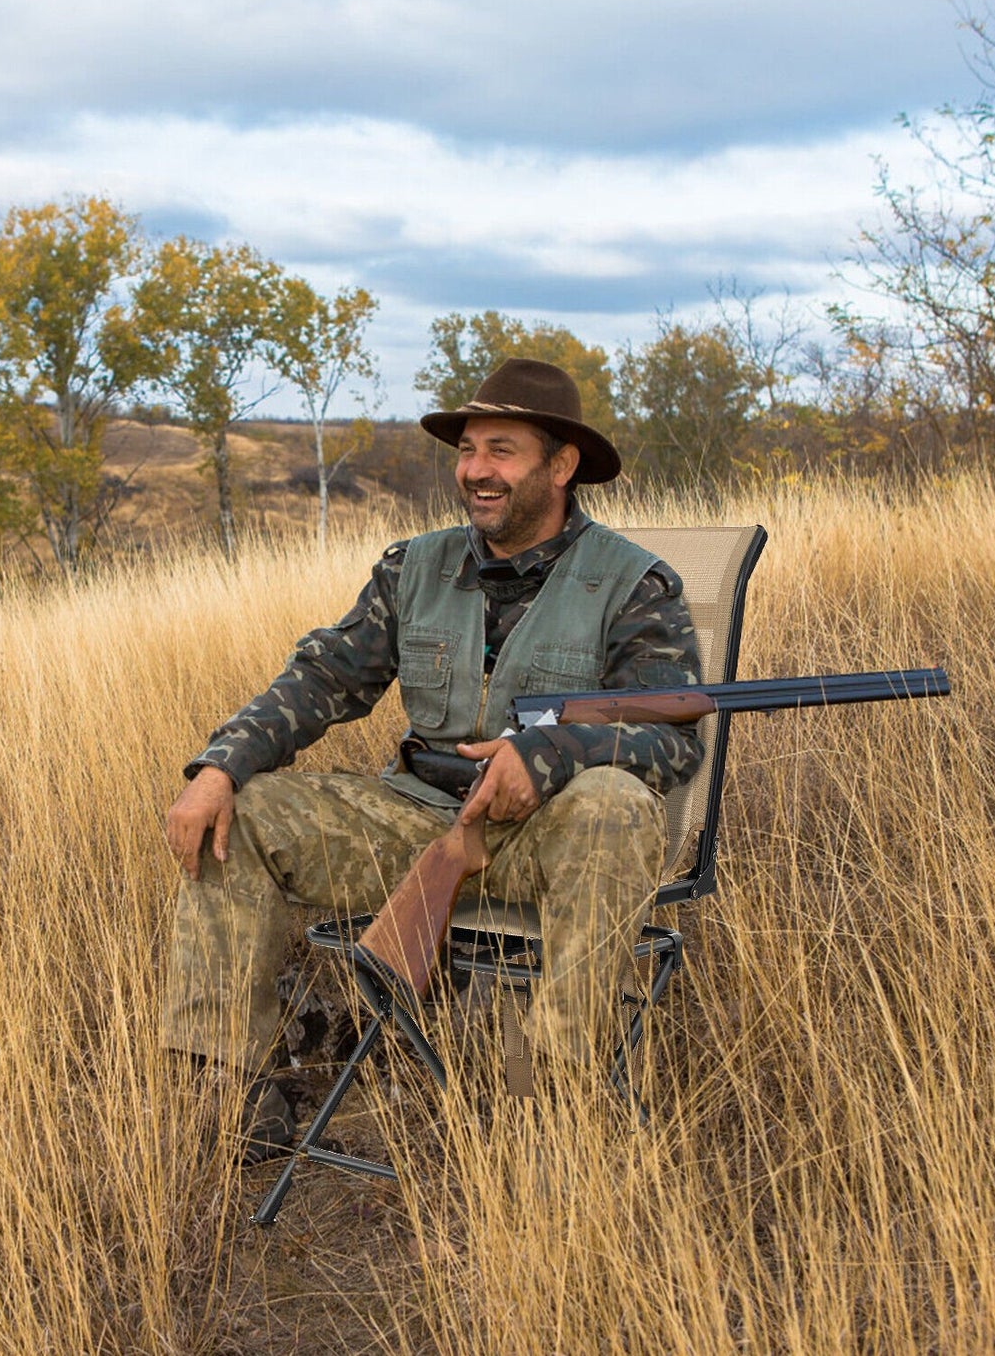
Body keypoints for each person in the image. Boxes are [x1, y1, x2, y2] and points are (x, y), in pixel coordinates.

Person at [161, 357, 704, 1159]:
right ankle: (234, 1090)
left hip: (545, 836)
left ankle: (554, 1103)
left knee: (617, 804)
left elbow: (671, 738)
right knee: (242, 817)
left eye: (502, 450)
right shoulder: (410, 567)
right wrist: (219, 766)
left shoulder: (632, 584)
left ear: (561, 466)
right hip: (410, 815)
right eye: (467, 450)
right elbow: (323, 677)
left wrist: (548, 755)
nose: (476, 471)